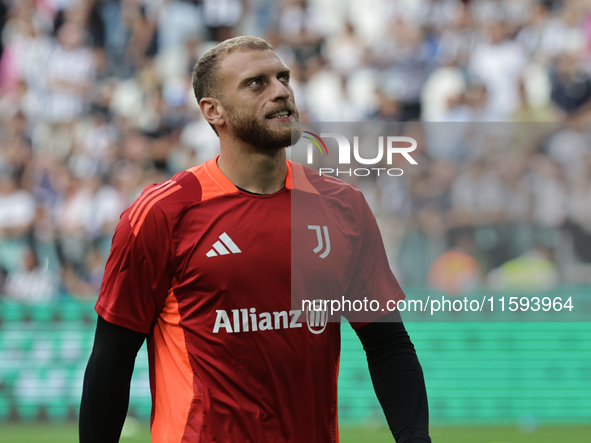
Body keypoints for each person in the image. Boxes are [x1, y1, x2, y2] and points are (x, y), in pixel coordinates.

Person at [79, 36, 431, 443]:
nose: (281, 90)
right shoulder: (162, 213)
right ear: (214, 112)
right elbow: (112, 360)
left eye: (283, 78)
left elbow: (387, 344)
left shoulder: (343, 206)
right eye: (256, 83)